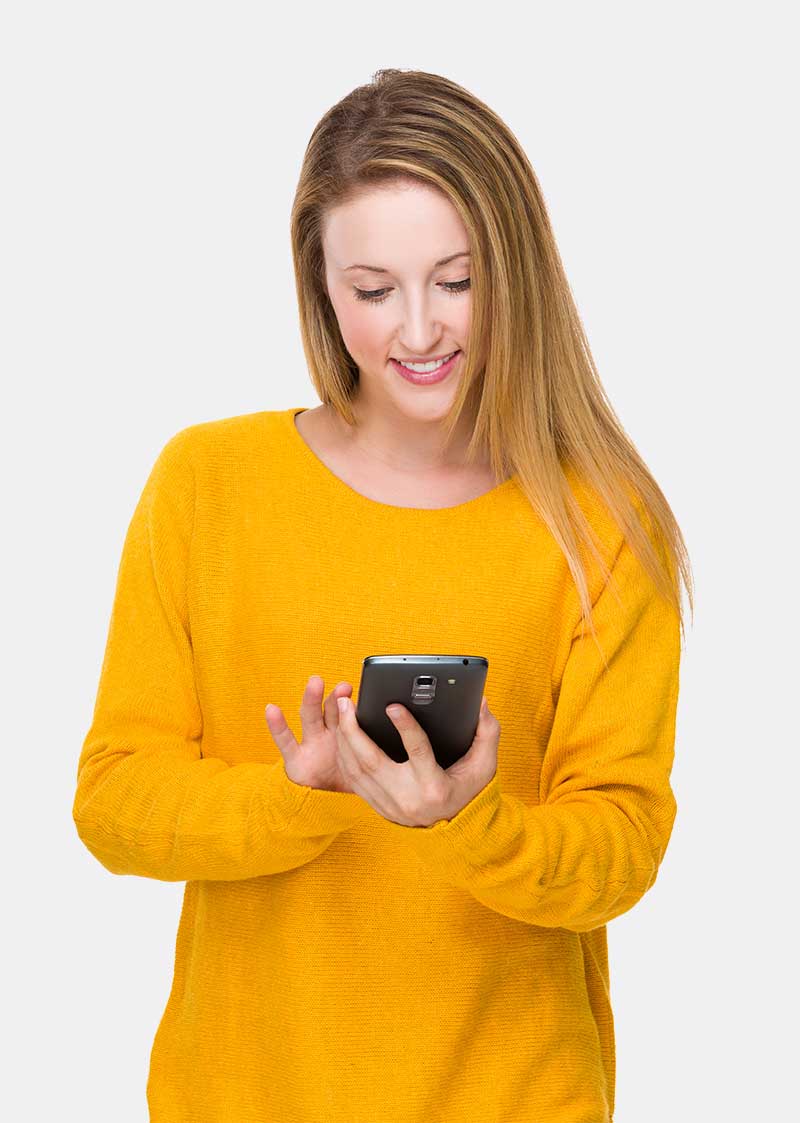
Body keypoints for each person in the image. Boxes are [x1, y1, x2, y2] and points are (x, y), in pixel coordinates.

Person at [72, 68, 693, 1123]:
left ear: (517, 269)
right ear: (319, 284)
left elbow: (620, 848)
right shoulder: (207, 484)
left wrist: (469, 819)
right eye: (372, 290)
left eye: (457, 280)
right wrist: (297, 793)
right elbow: (114, 804)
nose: (417, 331)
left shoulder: (602, 518)